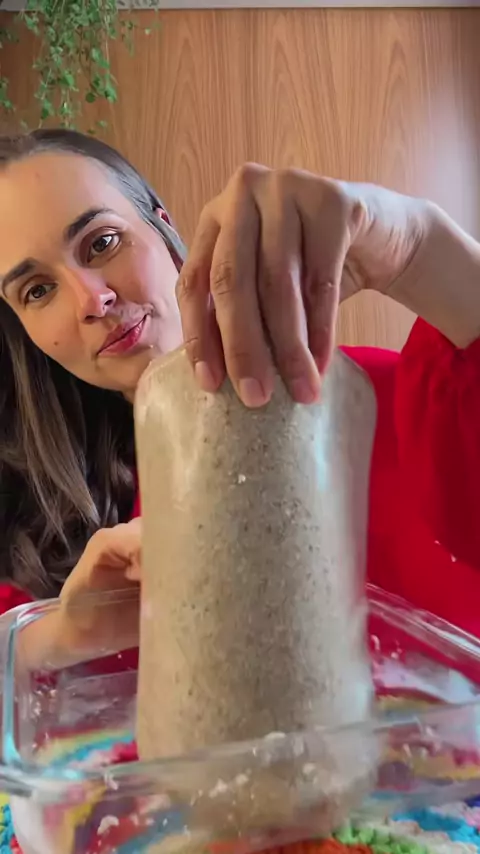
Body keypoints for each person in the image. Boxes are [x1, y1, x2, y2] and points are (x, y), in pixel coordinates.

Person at [0, 129, 480, 671]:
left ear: (163, 228)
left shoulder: (383, 403)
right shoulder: (46, 515)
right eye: (37, 290)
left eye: (102, 242)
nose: (91, 300)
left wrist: (417, 247)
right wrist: (63, 634)